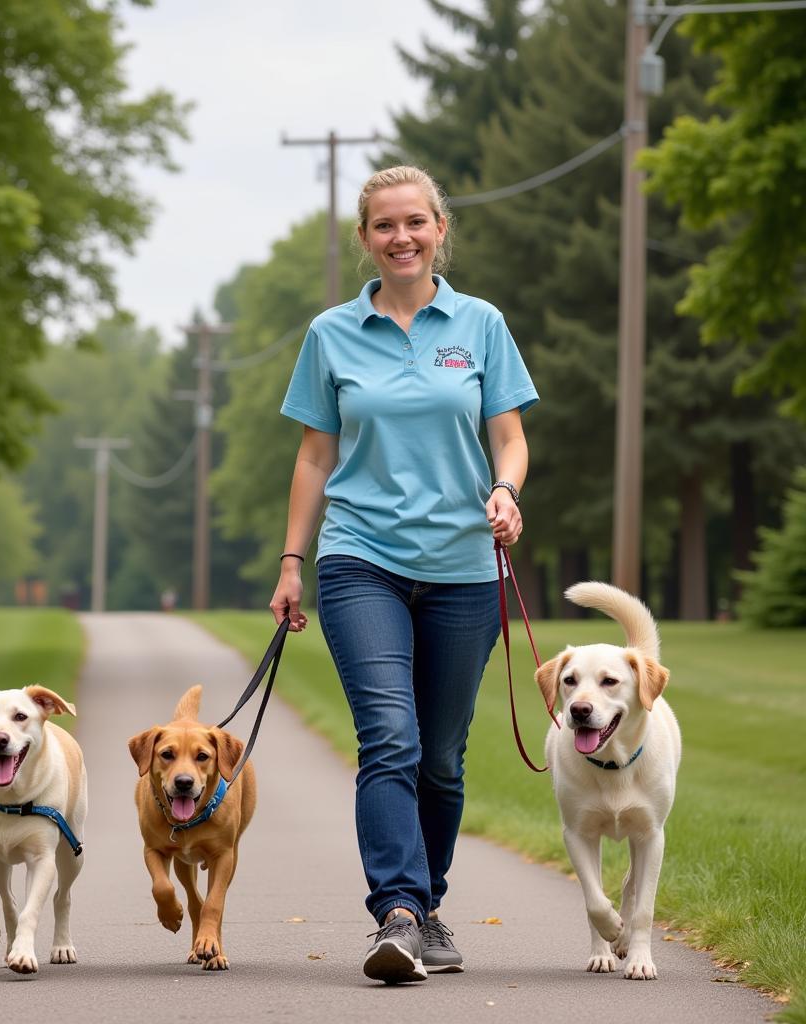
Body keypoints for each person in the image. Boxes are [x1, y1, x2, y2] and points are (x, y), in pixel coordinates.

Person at [269, 165, 538, 984]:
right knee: (390, 736)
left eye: (416, 222)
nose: (403, 237)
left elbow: (511, 438)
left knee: (442, 758)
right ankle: (395, 911)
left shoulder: (482, 324)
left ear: (440, 229)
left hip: (463, 568)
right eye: (385, 226)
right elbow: (315, 457)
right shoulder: (332, 333)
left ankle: (426, 906)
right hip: (362, 559)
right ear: (365, 239)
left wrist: (505, 490)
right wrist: (292, 561)